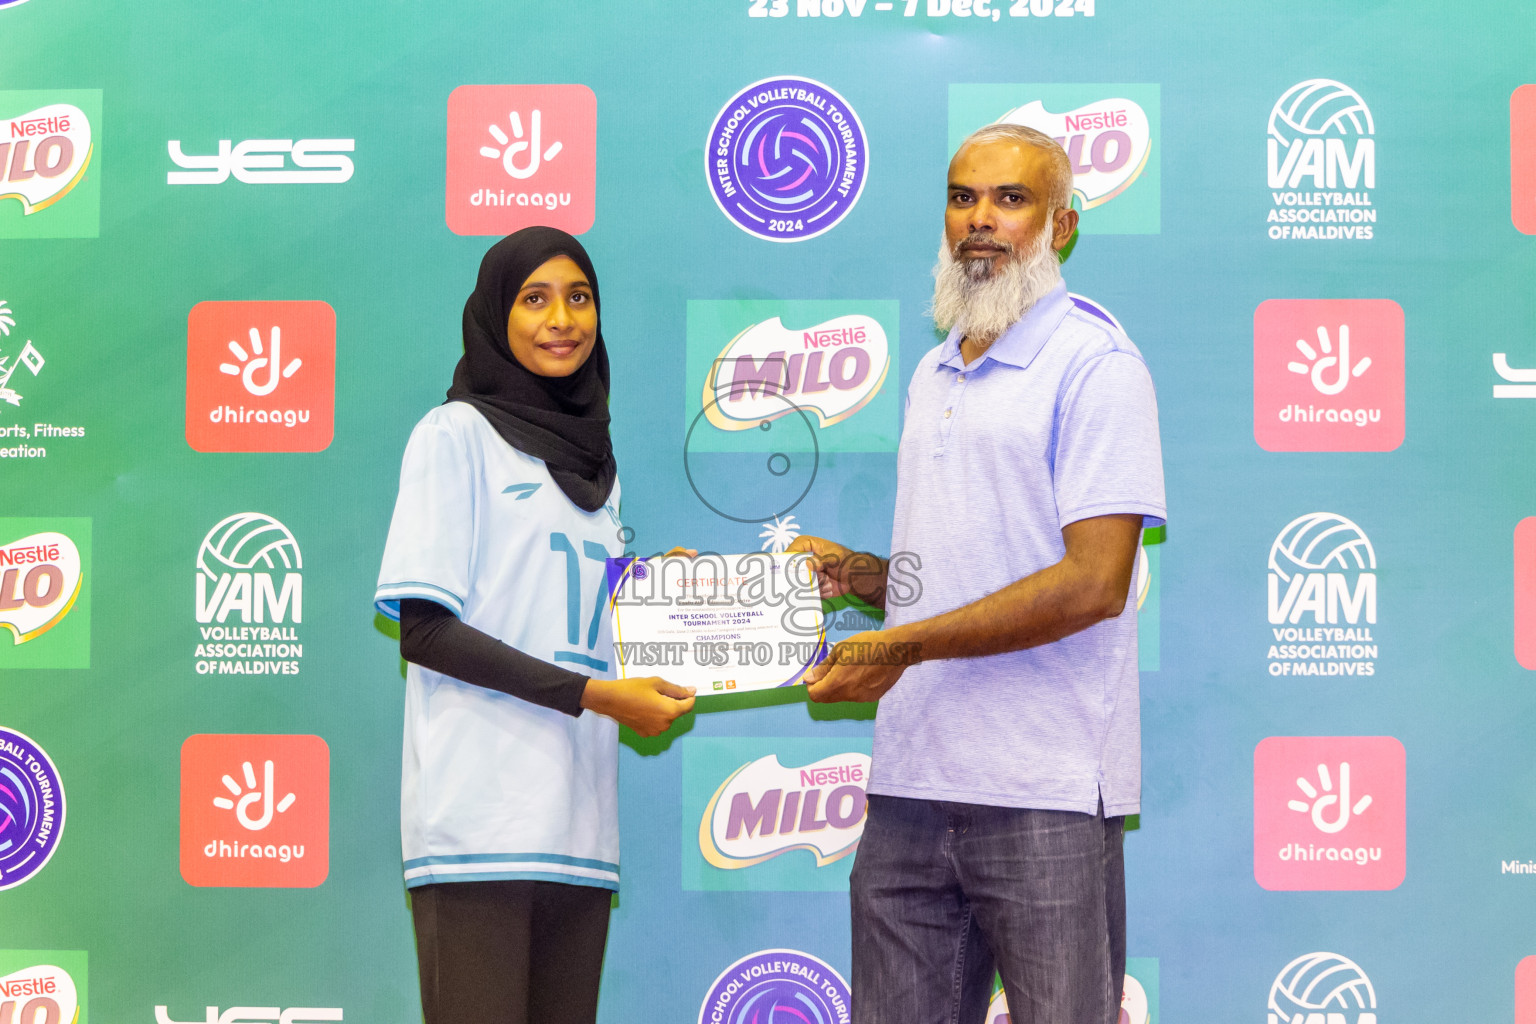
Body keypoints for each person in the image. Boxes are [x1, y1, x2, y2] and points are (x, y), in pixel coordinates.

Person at [788, 123, 1166, 1024]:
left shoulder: (1097, 365)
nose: (981, 221)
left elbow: (1093, 583)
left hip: (1046, 794)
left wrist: (902, 645)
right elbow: (963, 570)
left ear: (1061, 225)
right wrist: (858, 576)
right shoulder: (931, 371)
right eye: (963, 198)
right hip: (910, 786)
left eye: (1011, 199)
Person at [374, 226, 695, 1024]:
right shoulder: (454, 437)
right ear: (494, 315)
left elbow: (558, 602)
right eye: (535, 299)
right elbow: (427, 632)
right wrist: (595, 695)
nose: (563, 319)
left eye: (579, 297)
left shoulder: (597, 465)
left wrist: (659, 592)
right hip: (479, 820)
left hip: (579, 827)